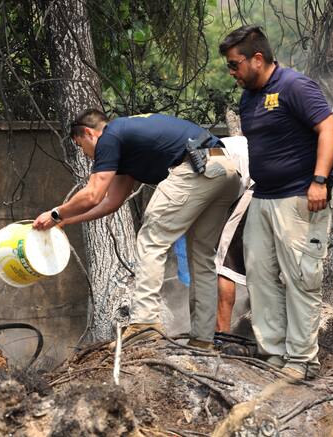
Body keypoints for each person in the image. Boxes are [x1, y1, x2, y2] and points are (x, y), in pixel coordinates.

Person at [33, 110, 241, 349]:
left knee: (151, 240)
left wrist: (55, 213)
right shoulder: (126, 143)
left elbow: (93, 194)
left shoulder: (110, 136)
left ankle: (145, 323)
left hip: (197, 167)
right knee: (200, 255)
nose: (84, 154)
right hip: (225, 169)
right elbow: (111, 201)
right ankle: (203, 338)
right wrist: (67, 220)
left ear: (89, 133)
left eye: (81, 146)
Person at [219, 25, 333, 380]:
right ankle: (273, 353)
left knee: (301, 278)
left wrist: (319, 180)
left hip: (299, 198)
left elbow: (329, 129)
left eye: (234, 64)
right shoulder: (249, 98)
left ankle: (302, 360)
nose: (232, 72)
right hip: (263, 197)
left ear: (257, 58)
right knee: (260, 277)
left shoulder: (294, 86)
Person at [213, 135, 252, 333]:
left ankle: (222, 332)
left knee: (226, 264)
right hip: (277, 190)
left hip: (255, 189)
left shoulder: (194, 162)